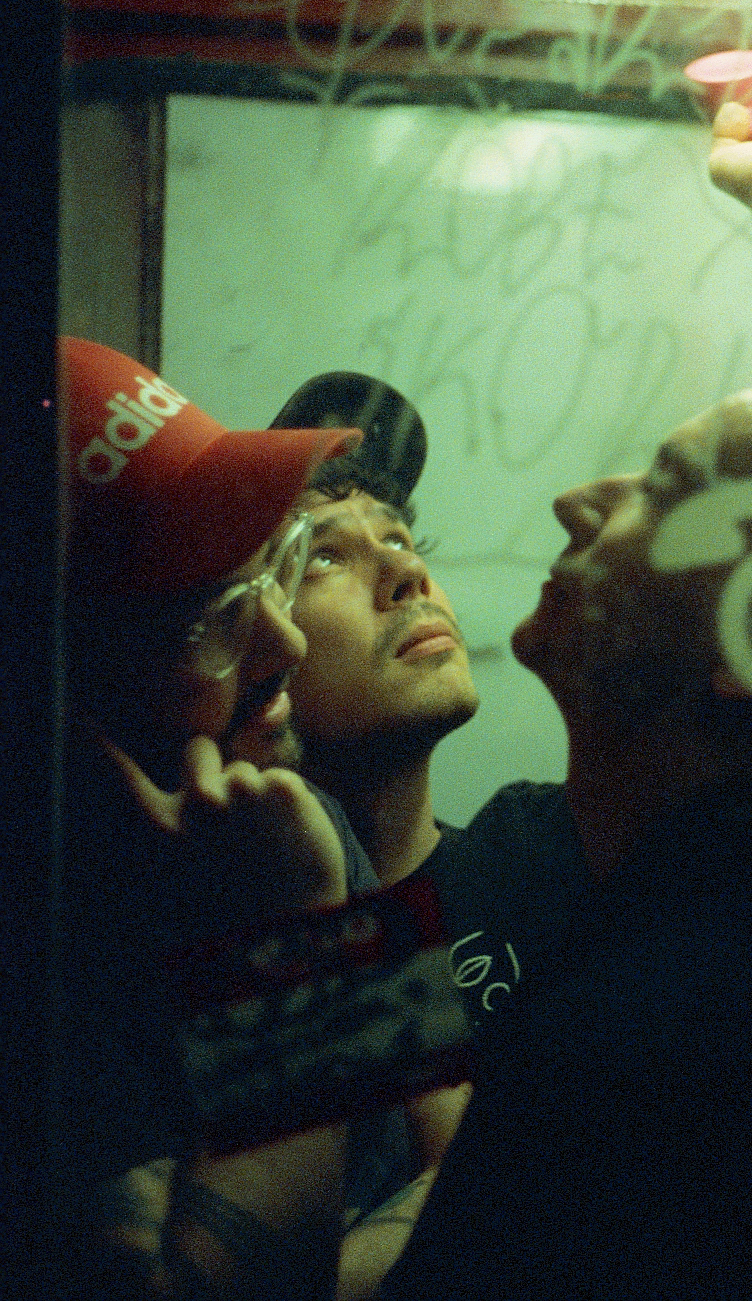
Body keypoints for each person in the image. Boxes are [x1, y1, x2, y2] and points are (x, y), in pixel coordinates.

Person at [141, 352, 752, 1298]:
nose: (577, 501)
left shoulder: (668, 1044)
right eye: (315, 560)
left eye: (665, 488)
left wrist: (297, 938)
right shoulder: (739, 935)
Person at [55, 339, 448, 1293]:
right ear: (62, 686)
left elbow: (478, 1164)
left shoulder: (297, 817)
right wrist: (292, 930)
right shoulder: (56, 938)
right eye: (217, 619)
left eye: (278, 570)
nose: (288, 639)